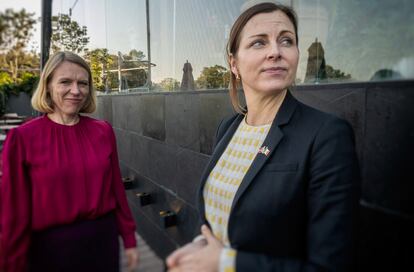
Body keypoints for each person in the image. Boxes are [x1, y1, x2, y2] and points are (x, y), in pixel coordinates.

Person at [166, 2, 360, 272]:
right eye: (259, 43)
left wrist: (224, 263)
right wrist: (201, 246)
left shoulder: (326, 135)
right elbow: (226, 215)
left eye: (286, 41)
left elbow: (329, 266)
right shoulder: (228, 127)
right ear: (234, 64)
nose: (275, 52)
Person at [0, 51, 139, 271]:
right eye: (65, 82)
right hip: (49, 251)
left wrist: (129, 238)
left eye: (82, 83)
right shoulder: (22, 138)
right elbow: (13, 210)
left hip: (103, 244)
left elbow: (116, 190)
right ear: (47, 86)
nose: (76, 91)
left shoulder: (102, 131)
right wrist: (11, 263)